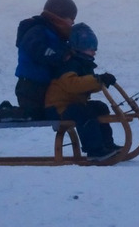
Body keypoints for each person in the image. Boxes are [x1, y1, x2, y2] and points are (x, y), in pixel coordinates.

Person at [44, 23, 121, 162]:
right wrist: (96, 79)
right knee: (84, 113)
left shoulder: (83, 64)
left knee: (100, 107)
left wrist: (101, 81)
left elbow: (86, 85)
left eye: (94, 48)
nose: (94, 52)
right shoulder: (69, 64)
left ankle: (107, 144)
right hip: (57, 107)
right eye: (90, 48)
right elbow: (72, 84)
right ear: (79, 48)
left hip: (72, 104)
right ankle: (94, 150)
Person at [14, 0, 77, 119]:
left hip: (45, 85)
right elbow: (37, 49)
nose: (72, 23)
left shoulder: (56, 35)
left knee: (51, 112)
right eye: (71, 19)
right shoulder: (37, 31)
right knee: (33, 114)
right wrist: (60, 56)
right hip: (30, 86)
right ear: (60, 17)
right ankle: (1, 114)